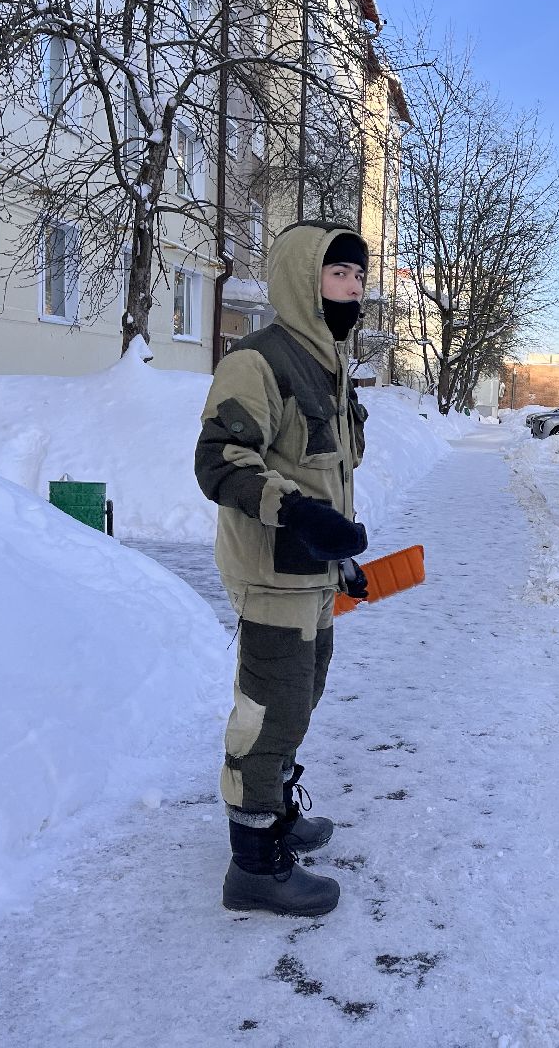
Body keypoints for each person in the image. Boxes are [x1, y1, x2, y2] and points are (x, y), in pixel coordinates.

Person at [195, 221, 371, 917]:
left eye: (358, 277)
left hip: (311, 573)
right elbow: (221, 462)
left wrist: (341, 557)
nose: (353, 289)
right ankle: (255, 867)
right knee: (268, 715)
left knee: (299, 700)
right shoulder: (258, 360)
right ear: (305, 281)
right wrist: (299, 515)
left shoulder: (328, 359)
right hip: (271, 569)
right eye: (339, 275)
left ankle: (277, 811)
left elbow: (323, 472)